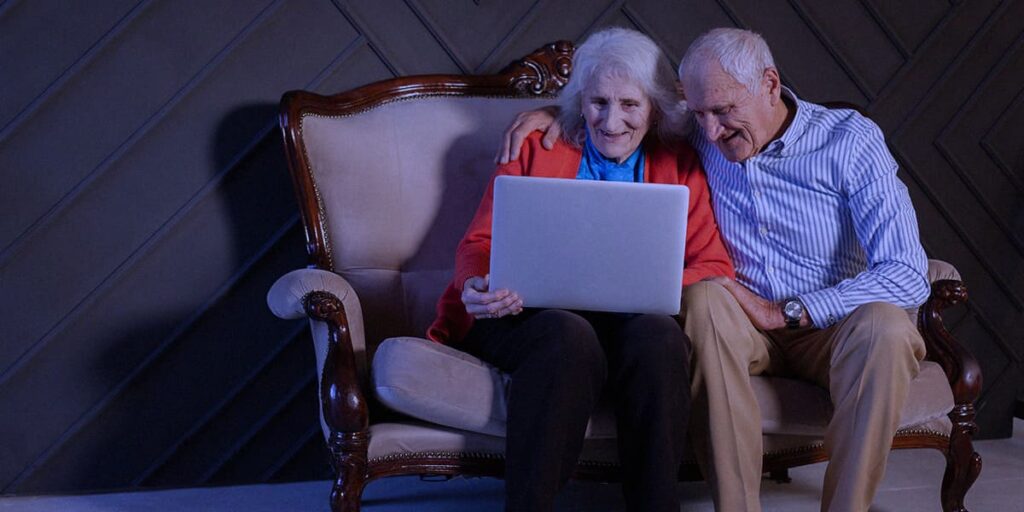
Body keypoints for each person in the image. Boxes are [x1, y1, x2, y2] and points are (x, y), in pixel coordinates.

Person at [497, 27, 931, 512]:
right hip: (738, 320)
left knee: (888, 329)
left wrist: (787, 311)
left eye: (723, 112)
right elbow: (623, 113)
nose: (710, 131)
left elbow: (907, 272)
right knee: (703, 298)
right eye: (698, 114)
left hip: (831, 324)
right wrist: (558, 111)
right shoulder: (700, 132)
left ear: (770, 84)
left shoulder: (850, 141)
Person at [427, 27, 735, 512]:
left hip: (632, 324)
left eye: (629, 104)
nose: (611, 122)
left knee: (658, 338)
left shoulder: (678, 162)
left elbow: (713, 263)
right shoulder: (537, 145)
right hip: (527, 317)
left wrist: (652, 285)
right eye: (598, 102)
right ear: (580, 101)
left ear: (654, 106)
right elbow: (479, 242)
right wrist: (475, 285)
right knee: (568, 336)